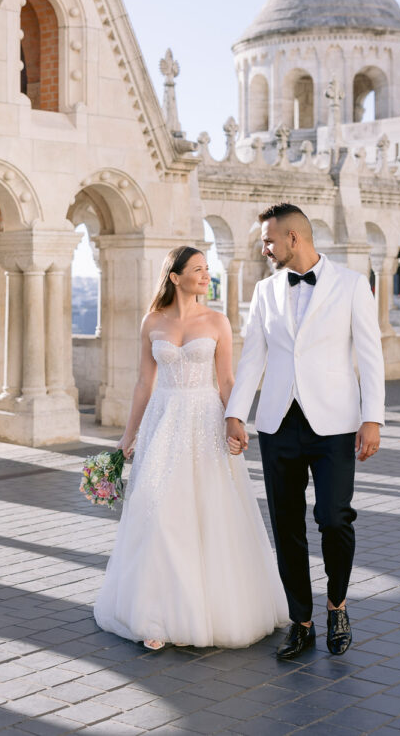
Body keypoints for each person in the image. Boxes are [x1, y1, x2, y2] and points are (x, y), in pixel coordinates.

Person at [94, 245, 287, 651]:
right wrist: (128, 435)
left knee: (206, 513)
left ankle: (211, 609)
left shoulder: (217, 321)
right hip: (162, 423)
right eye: (197, 269)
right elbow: (144, 383)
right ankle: (155, 615)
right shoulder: (152, 322)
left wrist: (235, 421)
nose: (205, 275)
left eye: (207, 269)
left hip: (204, 422)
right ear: (175, 276)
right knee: (158, 512)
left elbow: (229, 381)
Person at [225, 204, 385, 660]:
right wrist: (236, 413)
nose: (264, 247)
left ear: (294, 238)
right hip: (278, 422)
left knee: (335, 519)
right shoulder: (264, 291)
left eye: (269, 240)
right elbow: (253, 356)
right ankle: (302, 621)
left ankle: (336, 605)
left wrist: (372, 418)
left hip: (335, 423)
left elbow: (370, 356)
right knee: (287, 525)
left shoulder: (352, 285)